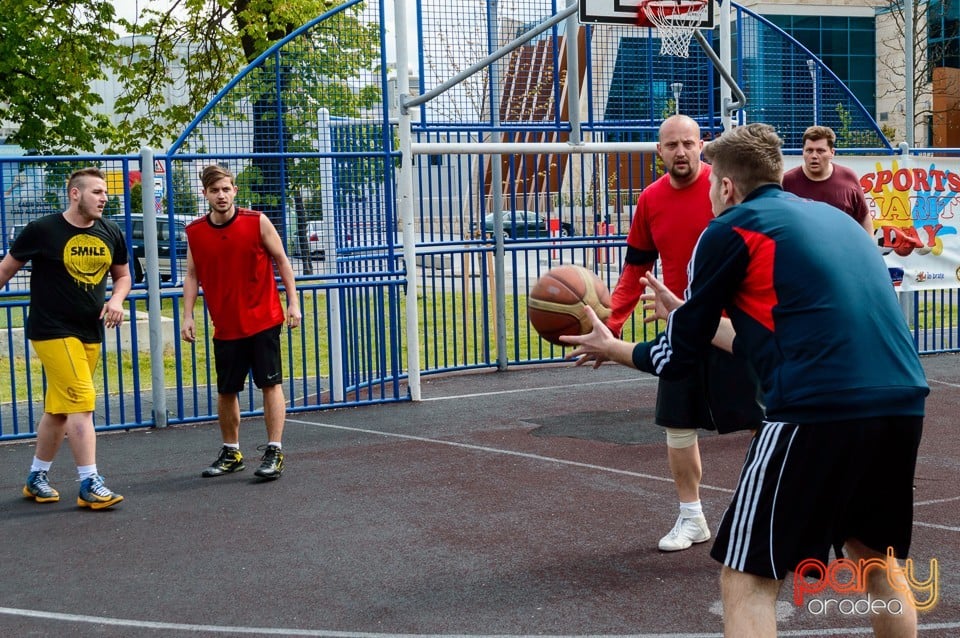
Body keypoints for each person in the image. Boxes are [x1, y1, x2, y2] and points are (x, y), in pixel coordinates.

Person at [565, 123, 928, 638]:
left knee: (748, 579)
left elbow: (676, 357)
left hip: (816, 409)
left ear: (727, 187)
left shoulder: (729, 229)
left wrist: (612, 347)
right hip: (902, 402)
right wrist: (692, 314)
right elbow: (770, 340)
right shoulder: (836, 220)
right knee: (875, 563)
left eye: (714, 181)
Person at [606, 114, 763, 552]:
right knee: (677, 425)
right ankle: (692, 517)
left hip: (734, 327)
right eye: (672, 144)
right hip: (682, 329)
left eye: (688, 143)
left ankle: (768, 505)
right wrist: (612, 325)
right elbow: (635, 267)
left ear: (702, 147)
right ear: (659, 152)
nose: (681, 151)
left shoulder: (727, 188)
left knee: (763, 422)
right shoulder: (650, 201)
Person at [0, 167, 131, 509]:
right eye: (97, 192)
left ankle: (36, 476)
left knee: (60, 410)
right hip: (52, 329)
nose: (104, 198)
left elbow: (123, 276)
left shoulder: (110, 231)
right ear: (75, 194)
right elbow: (4, 270)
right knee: (83, 401)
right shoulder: (42, 230)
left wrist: (116, 300)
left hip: (89, 330)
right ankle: (89, 482)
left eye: (105, 193)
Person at [181, 164, 301, 480]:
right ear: (205, 193)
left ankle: (274, 450)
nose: (221, 195)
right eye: (214, 190)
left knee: (270, 384)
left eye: (226, 189)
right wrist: (187, 314)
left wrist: (293, 302)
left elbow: (282, 260)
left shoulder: (256, 221)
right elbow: (192, 274)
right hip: (226, 325)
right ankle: (232, 451)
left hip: (263, 319)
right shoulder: (195, 232)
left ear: (235, 190)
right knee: (226, 390)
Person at [781, 125, 873, 235]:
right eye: (809, 151)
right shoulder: (786, 181)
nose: (814, 156)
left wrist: (870, 247)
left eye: (820, 151)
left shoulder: (848, 177)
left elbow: (863, 216)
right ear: (803, 152)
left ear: (832, 153)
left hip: (841, 250)